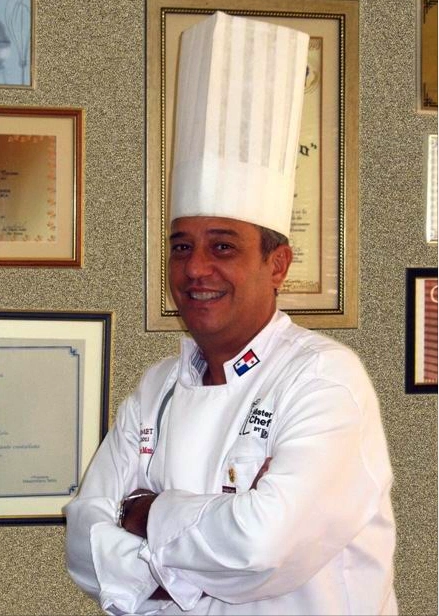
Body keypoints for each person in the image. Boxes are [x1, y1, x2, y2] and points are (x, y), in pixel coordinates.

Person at [65, 12, 397, 616]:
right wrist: (209, 537)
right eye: (181, 246)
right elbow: (83, 545)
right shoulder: (156, 388)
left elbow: (261, 549)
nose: (196, 269)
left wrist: (144, 511)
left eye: (223, 247)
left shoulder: (323, 379)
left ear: (277, 264)